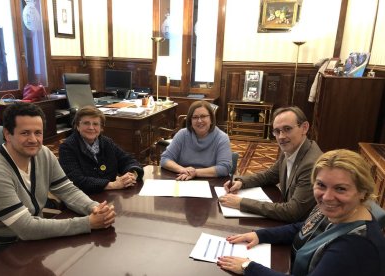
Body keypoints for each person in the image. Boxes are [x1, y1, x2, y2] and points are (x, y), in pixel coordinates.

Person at [0, 103, 116, 262]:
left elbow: (67, 190)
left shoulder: (43, 154)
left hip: (30, 241)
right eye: (25, 133)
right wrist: (88, 223)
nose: (33, 140)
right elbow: (26, 228)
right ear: (7, 134)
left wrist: (94, 208)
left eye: (38, 133)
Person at [217, 149, 385, 276]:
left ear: (363, 192)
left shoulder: (355, 247)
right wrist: (261, 235)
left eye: (340, 189)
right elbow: (303, 227)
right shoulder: (338, 211)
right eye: (321, 185)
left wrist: (249, 267)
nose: (327, 197)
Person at [219, 106, 322, 222]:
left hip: (301, 228)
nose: (281, 137)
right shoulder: (290, 149)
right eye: (277, 131)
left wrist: (242, 203)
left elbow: (293, 212)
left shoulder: (311, 164)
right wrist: (241, 182)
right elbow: (270, 175)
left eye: (287, 129)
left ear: (304, 128)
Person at [59, 106, 143, 194]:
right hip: (84, 198)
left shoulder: (107, 142)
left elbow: (128, 160)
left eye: (95, 124)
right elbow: (76, 180)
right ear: (77, 126)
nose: (91, 127)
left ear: (101, 128)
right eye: (86, 123)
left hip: (111, 195)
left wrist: (132, 175)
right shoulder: (67, 147)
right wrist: (113, 185)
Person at [160, 100, 232, 180]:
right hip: (183, 179)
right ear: (190, 120)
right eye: (195, 117)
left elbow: (225, 167)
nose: (199, 121)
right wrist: (183, 170)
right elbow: (165, 159)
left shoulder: (222, 138)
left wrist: (195, 172)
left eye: (203, 116)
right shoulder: (182, 134)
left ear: (211, 118)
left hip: (210, 182)